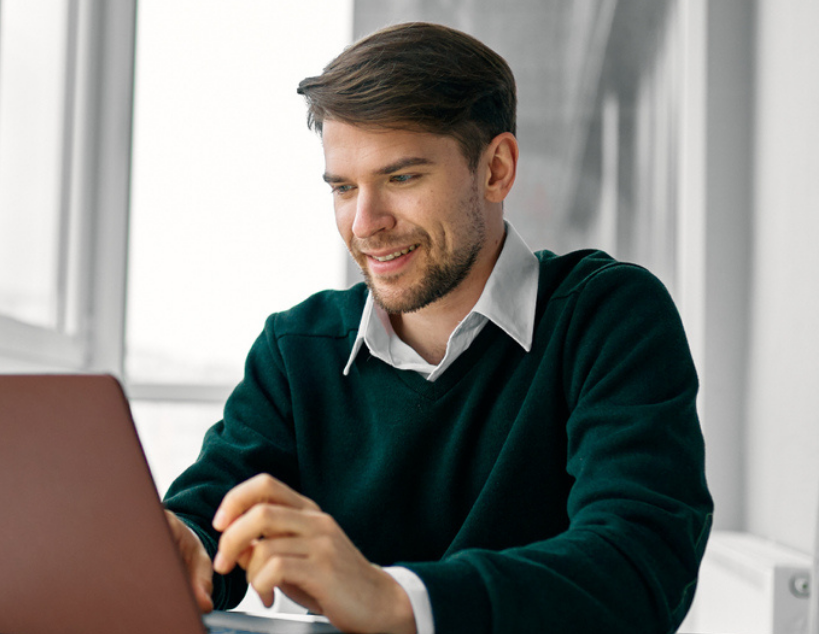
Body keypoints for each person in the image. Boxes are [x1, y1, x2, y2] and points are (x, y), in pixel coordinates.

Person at [161, 21, 712, 634]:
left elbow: (638, 566)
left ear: (496, 170)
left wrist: (394, 599)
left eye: (401, 178)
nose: (365, 224)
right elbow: (213, 515)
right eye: (344, 187)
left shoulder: (609, 318)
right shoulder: (296, 349)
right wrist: (179, 545)